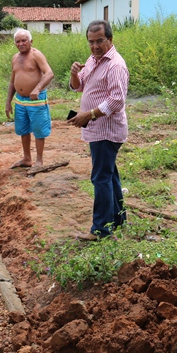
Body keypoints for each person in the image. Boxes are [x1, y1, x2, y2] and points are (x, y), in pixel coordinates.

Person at [67, 20, 129, 241]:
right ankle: (118, 219)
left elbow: (117, 101)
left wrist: (89, 114)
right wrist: (74, 74)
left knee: (101, 178)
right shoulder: (93, 60)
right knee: (109, 175)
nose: (95, 46)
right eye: (91, 42)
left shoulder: (115, 65)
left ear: (110, 39)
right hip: (97, 129)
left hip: (106, 130)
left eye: (99, 41)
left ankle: (101, 230)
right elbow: (79, 86)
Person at [5, 28, 54, 169]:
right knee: (23, 129)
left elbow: (49, 73)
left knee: (39, 129)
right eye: (18, 41)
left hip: (36, 100)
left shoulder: (36, 55)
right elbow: (12, 81)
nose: (21, 44)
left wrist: (37, 89)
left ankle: (39, 161)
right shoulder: (15, 58)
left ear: (30, 41)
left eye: (24, 40)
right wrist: (8, 102)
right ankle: (27, 158)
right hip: (20, 100)